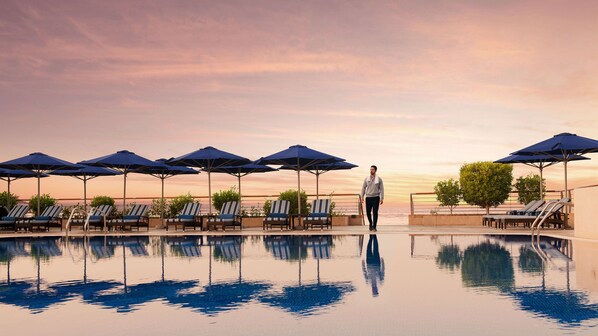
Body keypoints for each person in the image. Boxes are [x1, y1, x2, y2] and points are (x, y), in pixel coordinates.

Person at [360, 165, 384, 231]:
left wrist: (382, 198)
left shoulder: (379, 179)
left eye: (372, 169)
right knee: (368, 212)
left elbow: (382, 189)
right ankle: (370, 223)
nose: (371, 171)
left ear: (375, 170)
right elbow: (363, 188)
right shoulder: (367, 179)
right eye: (370, 169)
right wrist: (362, 197)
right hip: (368, 197)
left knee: (375, 212)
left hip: (376, 197)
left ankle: (374, 226)